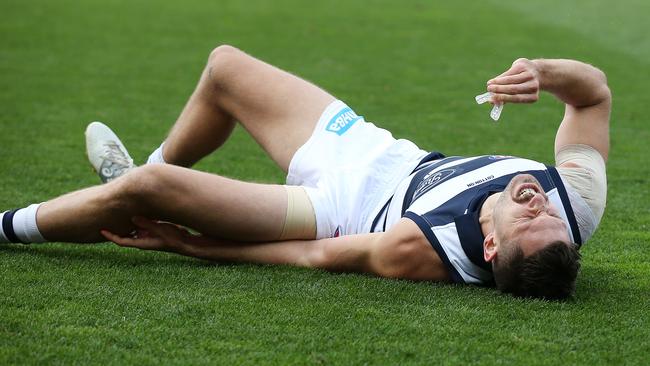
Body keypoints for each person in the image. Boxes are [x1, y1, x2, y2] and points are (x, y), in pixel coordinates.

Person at [0, 46, 610, 300]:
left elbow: (315, 258)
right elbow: (595, 96)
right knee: (225, 68)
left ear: (493, 244)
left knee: (147, 194)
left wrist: (189, 244)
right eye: (552, 215)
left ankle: (12, 226)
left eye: (530, 218)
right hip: (383, 154)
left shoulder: (421, 249)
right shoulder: (575, 202)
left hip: (334, 211)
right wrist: (542, 71)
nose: (541, 204)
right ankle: (147, 172)